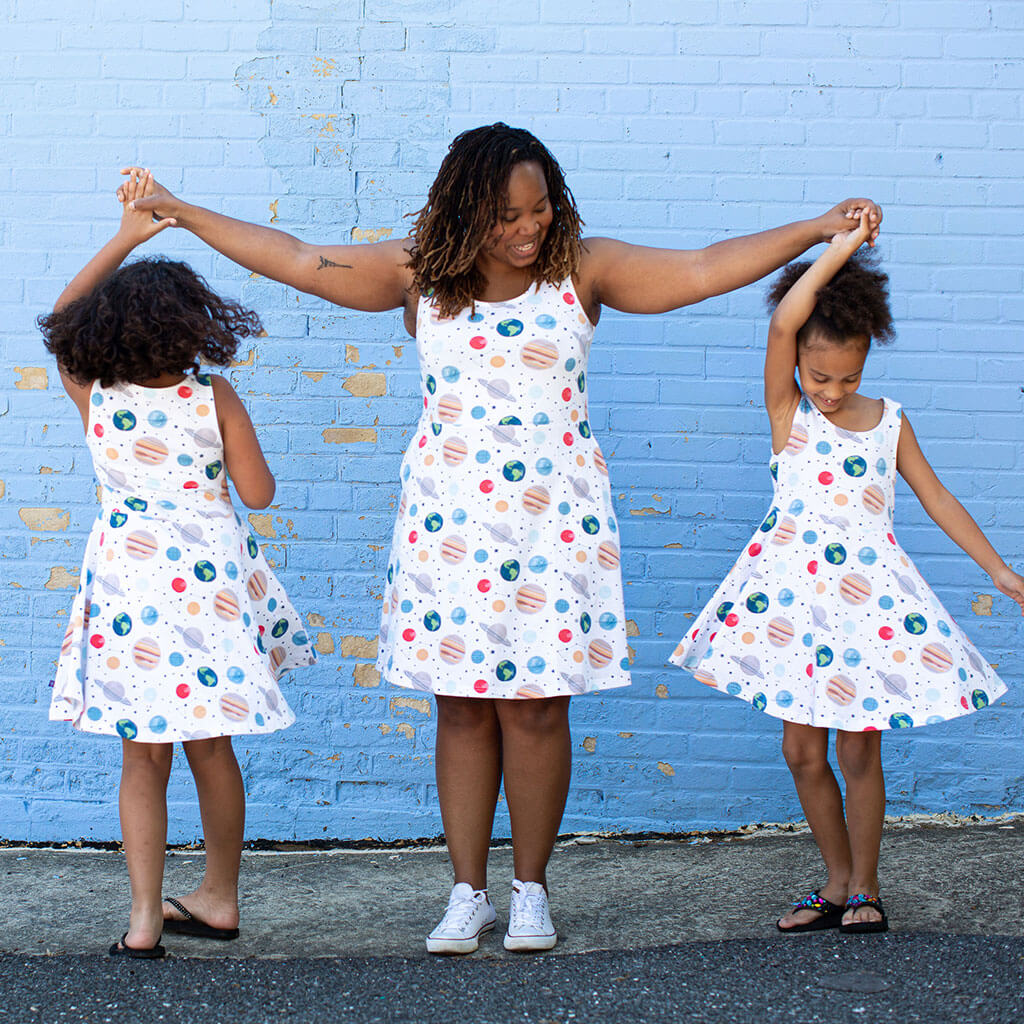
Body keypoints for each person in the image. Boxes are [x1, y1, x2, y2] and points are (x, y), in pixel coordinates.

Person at [121, 122, 881, 953]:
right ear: (464, 211)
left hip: (558, 526)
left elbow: (701, 268)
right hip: (449, 522)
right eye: (507, 216)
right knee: (462, 711)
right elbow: (298, 257)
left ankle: (529, 893)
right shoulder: (419, 277)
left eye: (540, 209)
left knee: (535, 711)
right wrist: (186, 213)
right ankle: (465, 893)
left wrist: (815, 229)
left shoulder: (582, 269)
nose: (528, 230)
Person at [670, 210, 1024, 934]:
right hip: (793, 604)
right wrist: (843, 247)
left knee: (859, 745)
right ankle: (832, 882)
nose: (831, 391)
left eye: (848, 376)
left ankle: (866, 886)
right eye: (819, 375)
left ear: (868, 360)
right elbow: (784, 320)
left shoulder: (889, 421)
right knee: (802, 749)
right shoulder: (788, 412)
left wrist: (997, 568)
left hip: (869, 606)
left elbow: (937, 497)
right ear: (799, 361)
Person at [40, 171, 316, 959]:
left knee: (141, 757)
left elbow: (59, 319)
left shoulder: (96, 395)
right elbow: (259, 494)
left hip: (129, 594)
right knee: (213, 748)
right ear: (197, 326)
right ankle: (220, 897)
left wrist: (127, 233)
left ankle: (142, 918)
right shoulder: (213, 398)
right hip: (209, 599)